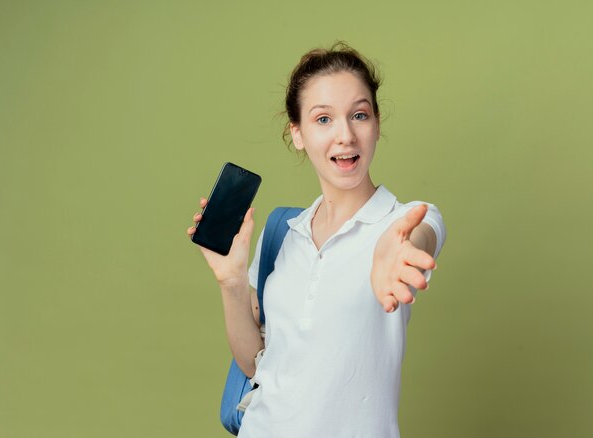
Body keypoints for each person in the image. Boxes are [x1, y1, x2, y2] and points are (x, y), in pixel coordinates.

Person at [187, 42, 446, 438]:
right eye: (323, 119)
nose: (345, 135)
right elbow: (255, 365)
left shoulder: (404, 220)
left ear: (376, 123)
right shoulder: (284, 232)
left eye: (359, 115)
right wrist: (232, 280)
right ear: (298, 133)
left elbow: (422, 237)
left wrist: (403, 251)